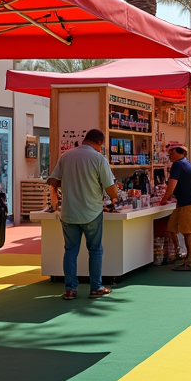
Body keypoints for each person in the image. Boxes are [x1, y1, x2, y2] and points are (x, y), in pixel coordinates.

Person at [48, 128, 119, 300]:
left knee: (70, 251)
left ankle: (70, 289)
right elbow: (110, 187)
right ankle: (96, 287)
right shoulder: (98, 159)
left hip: (69, 212)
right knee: (95, 250)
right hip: (92, 212)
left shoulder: (66, 156)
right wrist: (115, 198)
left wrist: (55, 202)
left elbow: (53, 182)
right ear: (100, 143)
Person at [161, 142, 191, 271]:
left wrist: (163, 200)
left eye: (172, 152)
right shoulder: (186, 163)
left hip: (188, 203)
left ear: (180, 153)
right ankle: (185, 256)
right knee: (172, 228)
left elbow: (172, 185)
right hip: (190, 202)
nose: (170, 154)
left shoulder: (178, 164)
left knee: (188, 232)